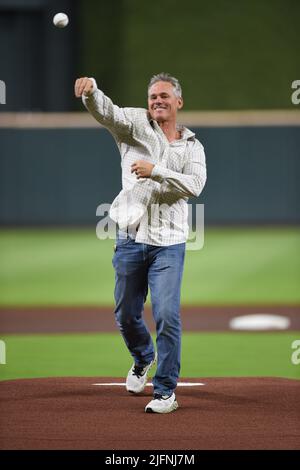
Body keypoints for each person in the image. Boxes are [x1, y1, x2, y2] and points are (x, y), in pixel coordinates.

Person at [75, 73, 207, 413]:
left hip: (170, 242)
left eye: (164, 96)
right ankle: (142, 356)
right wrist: (91, 93)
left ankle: (165, 392)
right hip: (131, 236)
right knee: (126, 315)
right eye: (152, 97)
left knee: (167, 314)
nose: (157, 101)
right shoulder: (133, 125)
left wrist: (156, 171)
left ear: (179, 101)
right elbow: (108, 112)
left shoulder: (192, 146)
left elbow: (194, 186)